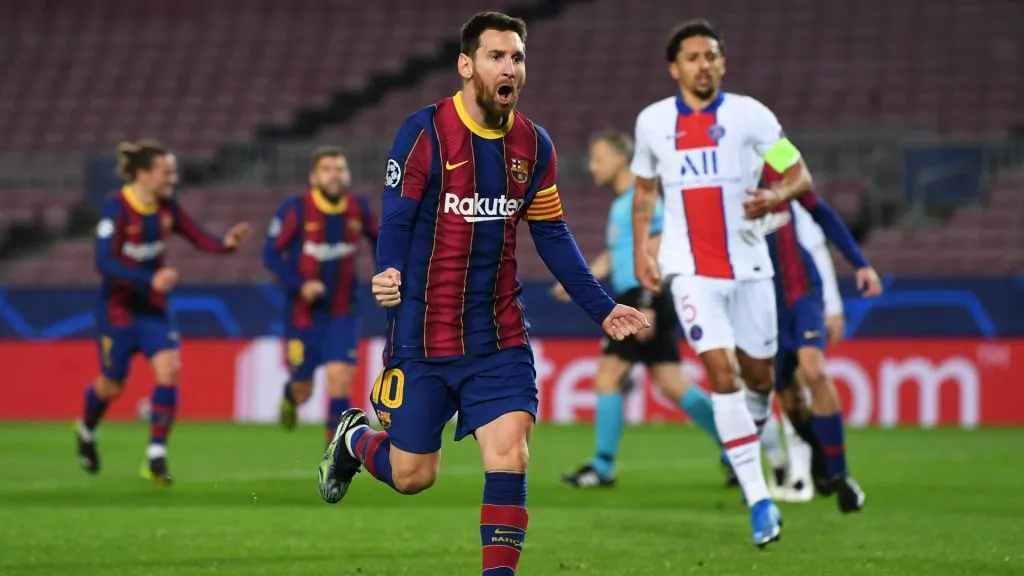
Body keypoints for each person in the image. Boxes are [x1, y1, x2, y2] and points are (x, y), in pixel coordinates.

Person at [316, 12, 648, 575]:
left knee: (510, 452)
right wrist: (388, 270)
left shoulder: (534, 145)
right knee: (413, 476)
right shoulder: (424, 131)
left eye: (517, 57)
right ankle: (353, 442)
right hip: (422, 331)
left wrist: (603, 304)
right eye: (496, 56)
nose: (509, 68)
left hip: (497, 334)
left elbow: (551, 232)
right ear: (467, 65)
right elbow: (396, 218)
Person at [630, 19, 817, 547]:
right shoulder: (652, 123)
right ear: (675, 68)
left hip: (752, 269)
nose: (702, 64)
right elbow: (645, 191)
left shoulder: (750, 117)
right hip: (689, 270)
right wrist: (645, 247)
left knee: (760, 379)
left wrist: (777, 196)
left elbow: (798, 171)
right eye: (692, 57)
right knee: (720, 372)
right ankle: (760, 501)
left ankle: (757, 443)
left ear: (722, 63)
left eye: (710, 55)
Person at [555, 130, 720, 489]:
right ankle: (735, 448)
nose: (592, 166)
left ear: (620, 157)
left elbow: (663, 244)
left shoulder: (643, 200)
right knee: (672, 384)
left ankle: (601, 466)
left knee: (608, 376)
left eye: (598, 158)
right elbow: (616, 256)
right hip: (643, 295)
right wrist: (577, 281)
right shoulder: (621, 205)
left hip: (645, 296)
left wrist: (646, 299)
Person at [78, 140, 250, 484]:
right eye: (165, 171)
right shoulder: (117, 208)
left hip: (153, 309)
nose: (172, 177)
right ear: (143, 174)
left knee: (169, 371)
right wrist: (149, 278)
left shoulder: (167, 206)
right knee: (112, 385)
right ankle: (87, 428)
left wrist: (224, 246)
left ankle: (156, 455)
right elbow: (104, 261)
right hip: (118, 311)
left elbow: (196, 234)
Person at [757, 166, 882, 513]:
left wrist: (860, 264)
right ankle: (820, 455)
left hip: (803, 292)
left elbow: (819, 210)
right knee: (790, 398)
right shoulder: (720, 172)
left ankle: (842, 477)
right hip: (762, 302)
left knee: (813, 371)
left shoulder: (775, 152)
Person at [262, 147, 379, 445]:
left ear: (348, 175)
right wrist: (300, 284)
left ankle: (334, 456)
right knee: (303, 390)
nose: (334, 174)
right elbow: (271, 255)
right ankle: (289, 399)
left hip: (343, 311)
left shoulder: (358, 208)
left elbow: (381, 243)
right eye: (327, 169)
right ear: (314, 177)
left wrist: (387, 273)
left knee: (340, 380)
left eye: (339, 168)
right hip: (303, 315)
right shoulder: (296, 209)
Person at [761, 200, 846, 503]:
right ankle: (778, 462)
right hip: (754, 301)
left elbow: (814, 242)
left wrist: (832, 307)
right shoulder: (726, 177)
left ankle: (801, 472)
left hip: (795, 299)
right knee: (774, 394)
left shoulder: (782, 173)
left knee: (806, 373)